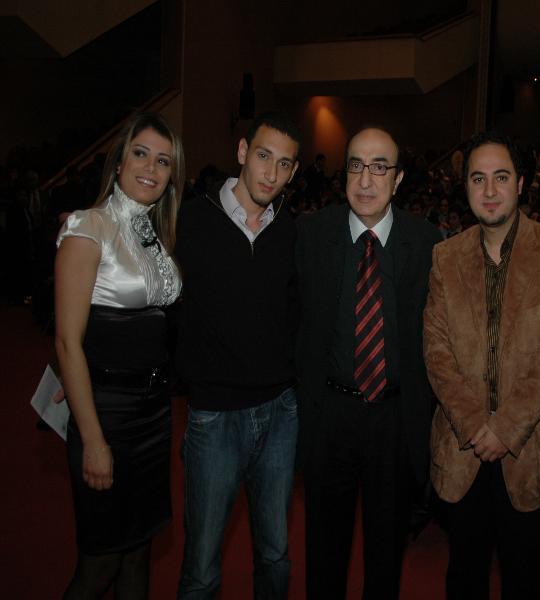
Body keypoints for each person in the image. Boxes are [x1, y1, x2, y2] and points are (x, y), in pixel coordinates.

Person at [423, 130, 540, 599]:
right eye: (478, 178)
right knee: (463, 578)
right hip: (462, 448)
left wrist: (505, 428)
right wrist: (474, 424)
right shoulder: (445, 256)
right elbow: (436, 351)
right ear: (465, 186)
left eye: (501, 177)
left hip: (526, 451)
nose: (489, 190)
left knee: (524, 580)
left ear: (521, 183)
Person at [296, 126, 441, 599]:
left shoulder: (427, 242)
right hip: (329, 414)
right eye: (356, 165)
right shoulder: (312, 234)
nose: (365, 180)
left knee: (386, 553)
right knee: (324, 549)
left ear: (397, 180)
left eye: (379, 168)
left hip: (394, 418)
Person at [55, 112, 184, 598]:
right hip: (106, 416)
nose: (151, 168)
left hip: (153, 416)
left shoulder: (153, 233)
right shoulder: (88, 226)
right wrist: (93, 439)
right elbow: (67, 342)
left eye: (164, 161)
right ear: (118, 161)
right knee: (100, 563)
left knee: (138, 552)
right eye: (141, 154)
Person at [175, 112, 300, 599]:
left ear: (293, 171)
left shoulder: (291, 232)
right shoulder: (190, 219)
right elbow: (137, 283)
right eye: (264, 156)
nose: (271, 173)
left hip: (280, 412)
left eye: (284, 164)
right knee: (202, 565)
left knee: (275, 555)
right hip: (214, 415)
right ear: (243, 151)